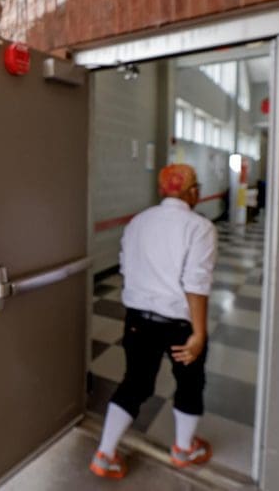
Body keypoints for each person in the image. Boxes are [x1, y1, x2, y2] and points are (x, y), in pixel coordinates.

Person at [90, 163, 217, 479]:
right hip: (179, 325)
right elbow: (196, 285)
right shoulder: (200, 227)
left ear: (162, 190)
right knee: (189, 383)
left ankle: (105, 455)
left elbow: (126, 269)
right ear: (193, 192)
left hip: (138, 321)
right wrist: (199, 334)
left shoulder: (138, 222)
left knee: (134, 383)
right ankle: (184, 449)